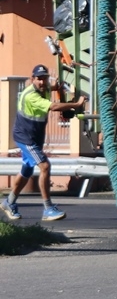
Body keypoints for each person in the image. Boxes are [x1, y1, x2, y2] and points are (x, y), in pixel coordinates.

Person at [1, 64, 85, 222]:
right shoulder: (31, 96)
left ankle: (9, 202)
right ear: (32, 79)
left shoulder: (45, 88)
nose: (42, 82)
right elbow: (53, 106)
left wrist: (59, 86)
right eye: (39, 78)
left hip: (34, 137)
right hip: (26, 138)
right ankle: (48, 208)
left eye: (44, 78)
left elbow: (53, 88)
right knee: (44, 166)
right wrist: (76, 105)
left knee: (26, 171)